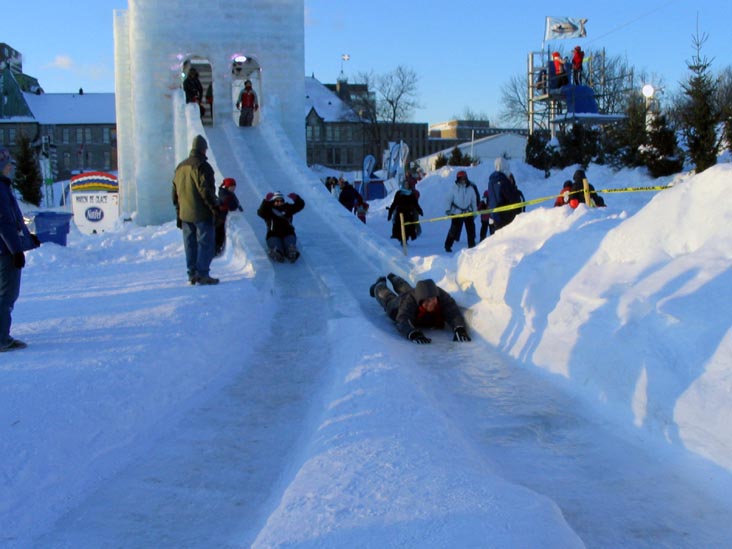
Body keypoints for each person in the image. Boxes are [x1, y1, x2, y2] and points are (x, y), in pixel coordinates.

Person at [0, 146, 40, 352]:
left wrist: (27, 240)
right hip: (4, 252)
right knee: (6, 295)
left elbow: (12, 221)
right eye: (8, 164)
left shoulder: (3, 186)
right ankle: (1, 339)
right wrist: (16, 251)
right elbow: (4, 223)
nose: (11, 168)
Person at [369, 273, 471, 344]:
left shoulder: (441, 295)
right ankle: (379, 284)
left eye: (433, 299)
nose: (431, 303)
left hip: (414, 294)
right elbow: (403, 319)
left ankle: (394, 278)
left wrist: (459, 328)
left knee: (408, 289)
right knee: (387, 297)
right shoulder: (409, 302)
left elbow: (452, 311)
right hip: (397, 306)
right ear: (421, 301)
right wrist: (412, 333)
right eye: (427, 300)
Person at [172, 135, 220, 285]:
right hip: (201, 212)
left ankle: (192, 273)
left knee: (190, 244)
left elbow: (174, 193)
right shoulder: (203, 166)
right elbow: (206, 191)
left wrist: (178, 212)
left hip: (185, 213)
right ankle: (203, 274)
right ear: (203, 149)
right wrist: (215, 208)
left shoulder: (180, 167)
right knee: (206, 243)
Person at [256, 191, 305, 262]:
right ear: (274, 201)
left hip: (288, 232)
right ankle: (277, 253)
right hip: (273, 234)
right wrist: (266, 201)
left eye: (281, 201)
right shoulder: (269, 209)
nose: (279, 202)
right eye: (277, 201)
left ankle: (291, 252)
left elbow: (300, 205)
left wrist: (296, 198)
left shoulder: (287, 208)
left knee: (289, 244)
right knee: (275, 244)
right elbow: (260, 212)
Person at [487, 157, 524, 232]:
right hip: (506, 216)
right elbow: (511, 197)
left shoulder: (491, 181)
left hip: (495, 216)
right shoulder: (503, 180)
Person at [443, 170, 477, 252]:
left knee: (471, 230)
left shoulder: (470, 188)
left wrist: (474, 211)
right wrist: (447, 209)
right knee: (453, 230)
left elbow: (473, 201)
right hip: (457, 212)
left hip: (468, 212)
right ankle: (448, 245)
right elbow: (448, 199)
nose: (463, 179)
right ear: (458, 178)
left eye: (464, 178)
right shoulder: (453, 188)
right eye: (461, 178)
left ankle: (472, 246)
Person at [215, 177, 243, 257]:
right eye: (232, 187)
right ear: (228, 187)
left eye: (234, 187)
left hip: (222, 216)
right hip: (220, 217)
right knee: (219, 232)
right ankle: (216, 247)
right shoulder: (225, 194)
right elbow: (231, 205)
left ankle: (217, 247)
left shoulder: (228, 193)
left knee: (219, 232)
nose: (234, 189)